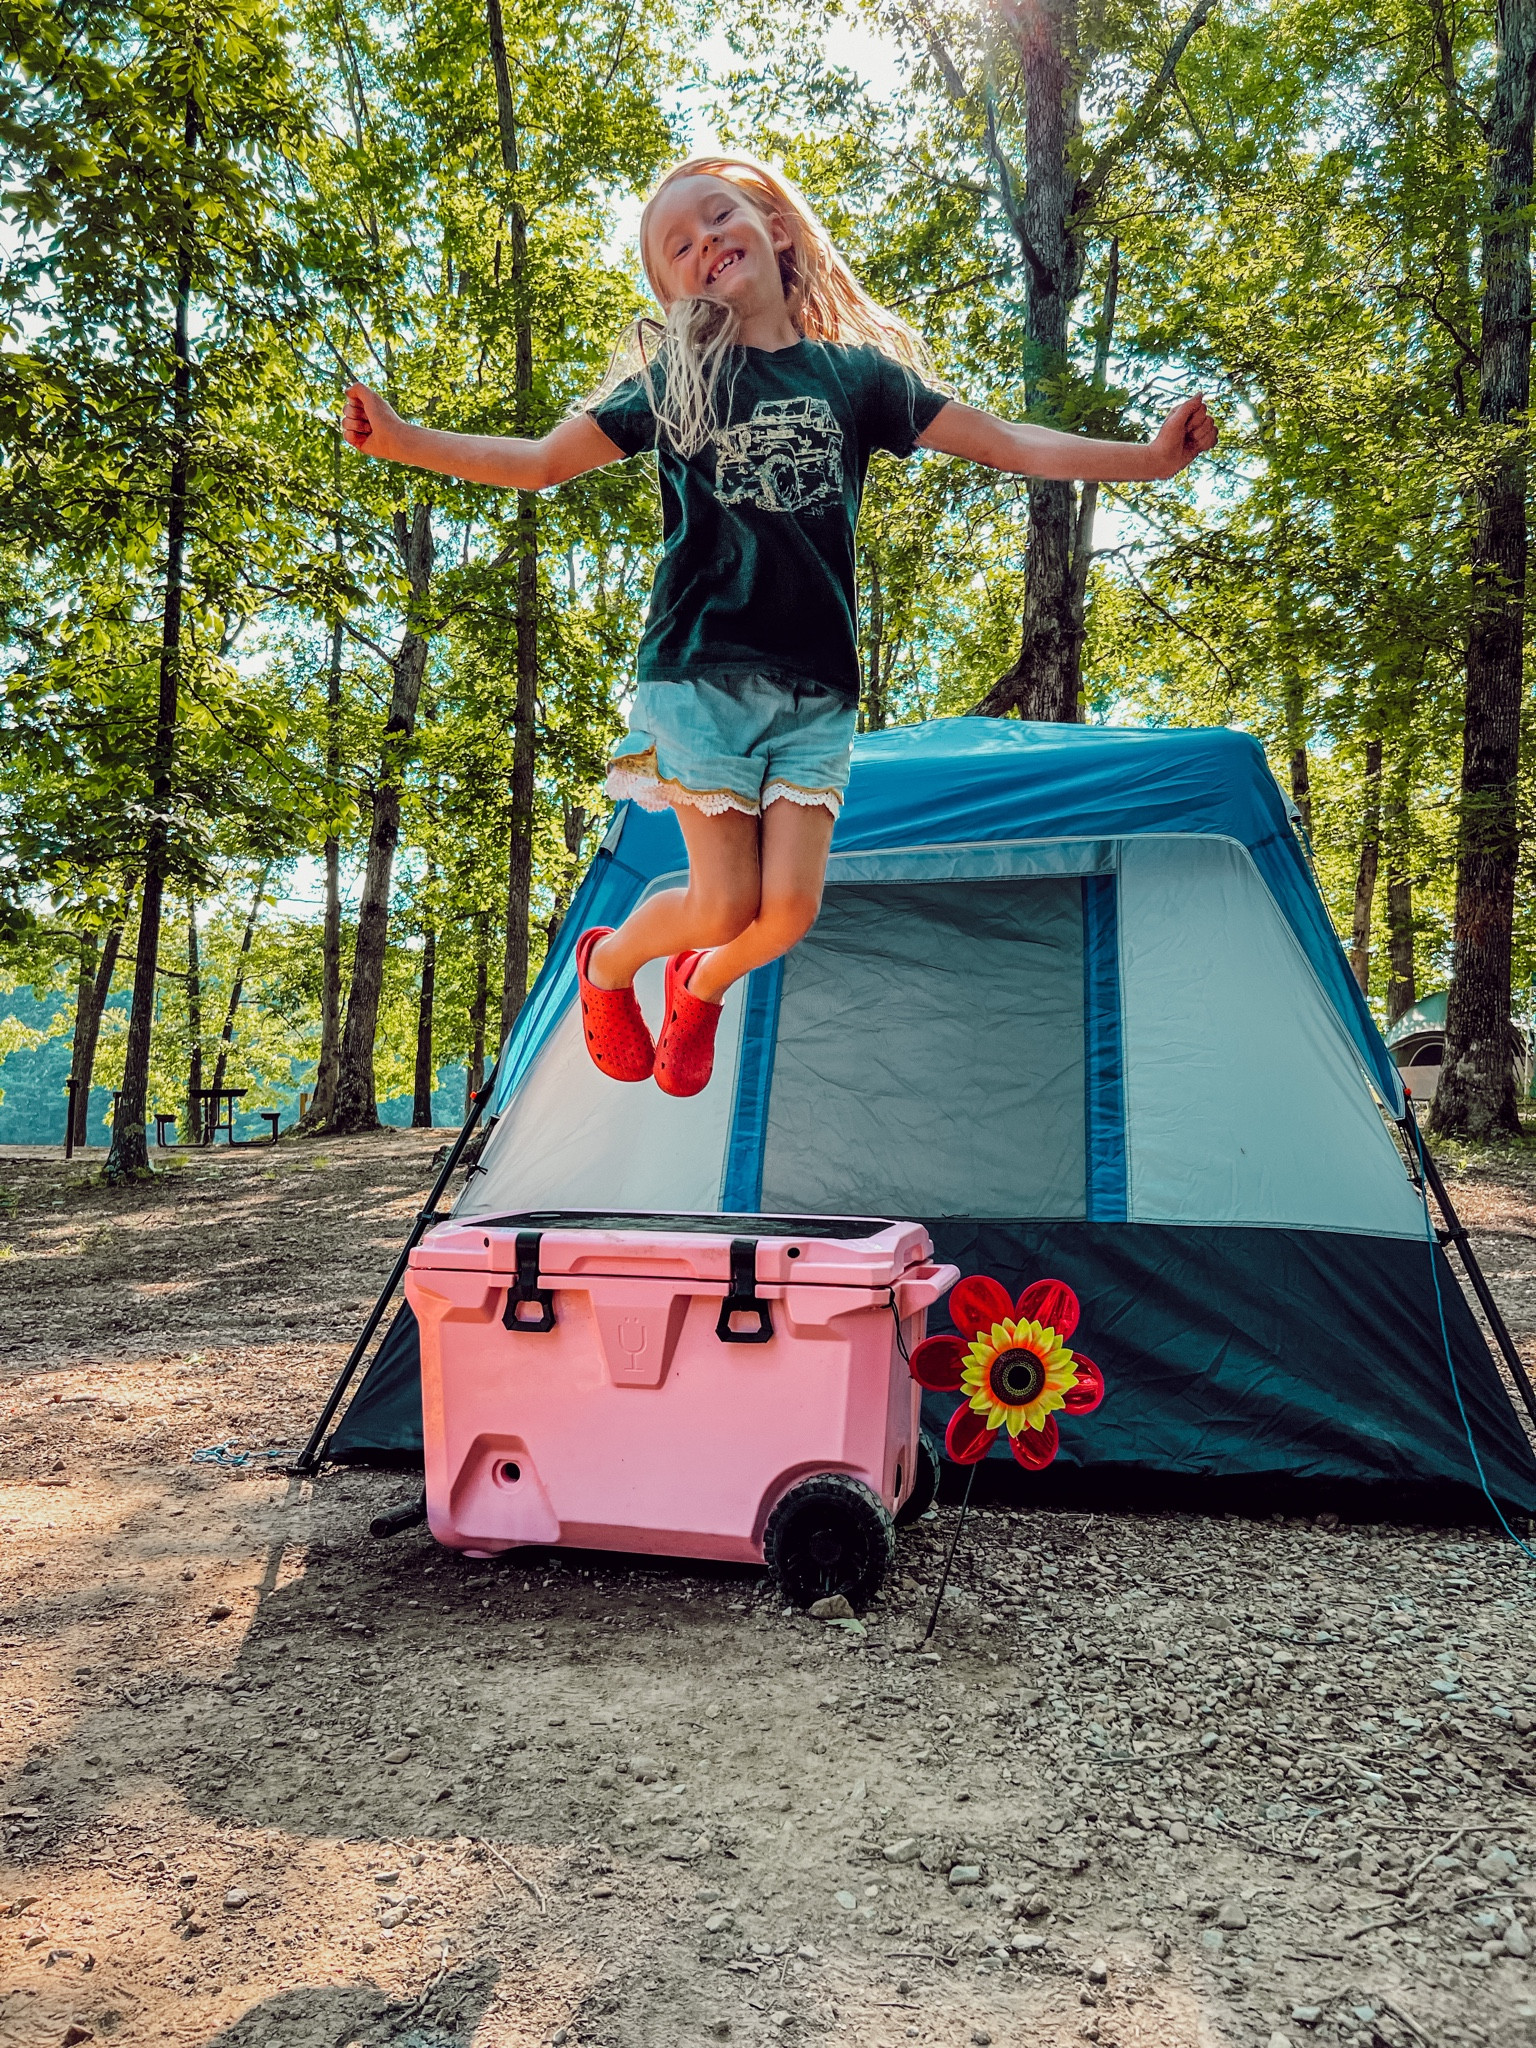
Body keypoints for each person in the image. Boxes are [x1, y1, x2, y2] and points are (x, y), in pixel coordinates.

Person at [342, 154, 1217, 1098]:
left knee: (787, 911)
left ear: (776, 228)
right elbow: (542, 463)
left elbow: (1007, 442)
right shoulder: (677, 381)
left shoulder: (857, 381)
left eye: (718, 218)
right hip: (700, 675)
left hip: (817, 691)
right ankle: (607, 963)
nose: (705, 242)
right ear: (674, 286)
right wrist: (401, 440)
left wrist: (1150, 460)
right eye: (678, 245)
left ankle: (699, 982)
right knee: (724, 901)